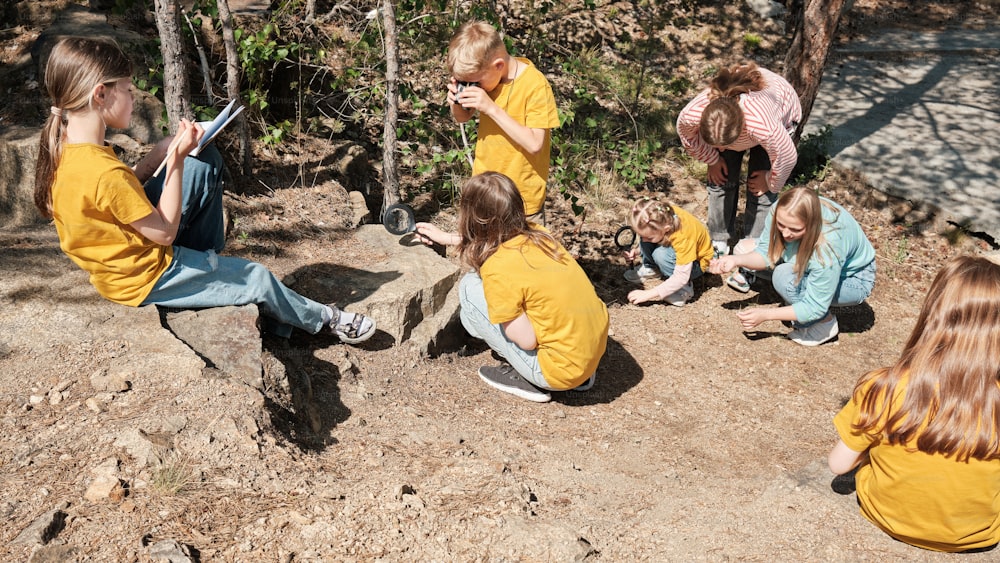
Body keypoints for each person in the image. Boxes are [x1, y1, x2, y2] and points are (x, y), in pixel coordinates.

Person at [33, 36, 375, 343]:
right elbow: (164, 233)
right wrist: (177, 158)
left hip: (121, 257)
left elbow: (112, 200)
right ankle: (325, 320)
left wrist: (159, 155)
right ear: (101, 94)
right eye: (127, 89)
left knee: (204, 159)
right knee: (256, 276)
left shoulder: (68, 150)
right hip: (145, 274)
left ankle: (215, 275)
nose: (133, 98)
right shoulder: (102, 171)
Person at [828, 255, 1000, 553]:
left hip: (886, 515)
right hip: (975, 533)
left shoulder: (884, 386)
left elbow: (839, 464)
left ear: (933, 313)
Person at [415, 172, 609, 403]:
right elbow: (494, 237)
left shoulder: (497, 267)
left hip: (556, 372)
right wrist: (448, 238)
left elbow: (527, 341)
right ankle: (580, 375)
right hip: (592, 350)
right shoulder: (540, 234)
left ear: (471, 216)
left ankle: (529, 378)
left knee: (469, 287)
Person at [708, 187, 875, 346]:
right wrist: (735, 260)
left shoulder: (828, 249)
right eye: (781, 225)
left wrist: (766, 315)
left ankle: (824, 324)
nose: (786, 234)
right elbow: (766, 254)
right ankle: (798, 295)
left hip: (852, 279)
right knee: (743, 249)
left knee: (783, 277)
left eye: (795, 229)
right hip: (814, 257)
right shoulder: (782, 209)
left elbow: (813, 306)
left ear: (811, 224)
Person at [676, 61, 801, 257]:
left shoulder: (762, 125)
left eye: (724, 146)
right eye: (715, 145)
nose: (721, 149)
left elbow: (786, 156)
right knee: (720, 179)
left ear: (740, 131)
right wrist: (712, 159)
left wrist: (769, 179)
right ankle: (718, 240)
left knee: (761, 191)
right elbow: (687, 136)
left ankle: (754, 248)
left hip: (780, 108)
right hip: (736, 125)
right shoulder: (692, 116)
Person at [446, 21, 559, 225]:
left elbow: (535, 144)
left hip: (521, 201)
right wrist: (456, 101)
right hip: (484, 192)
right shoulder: (489, 79)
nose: (474, 87)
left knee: (521, 255)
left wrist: (491, 108)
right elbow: (463, 117)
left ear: (498, 65)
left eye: (475, 82)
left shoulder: (535, 85)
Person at [623, 197, 714, 307]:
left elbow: (681, 276)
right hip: (674, 247)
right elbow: (650, 238)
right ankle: (652, 267)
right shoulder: (662, 216)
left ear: (666, 229)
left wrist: (648, 294)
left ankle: (684, 289)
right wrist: (637, 251)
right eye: (641, 236)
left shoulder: (684, 235)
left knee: (660, 255)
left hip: (696, 264)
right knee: (649, 241)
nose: (643, 241)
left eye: (649, 238)